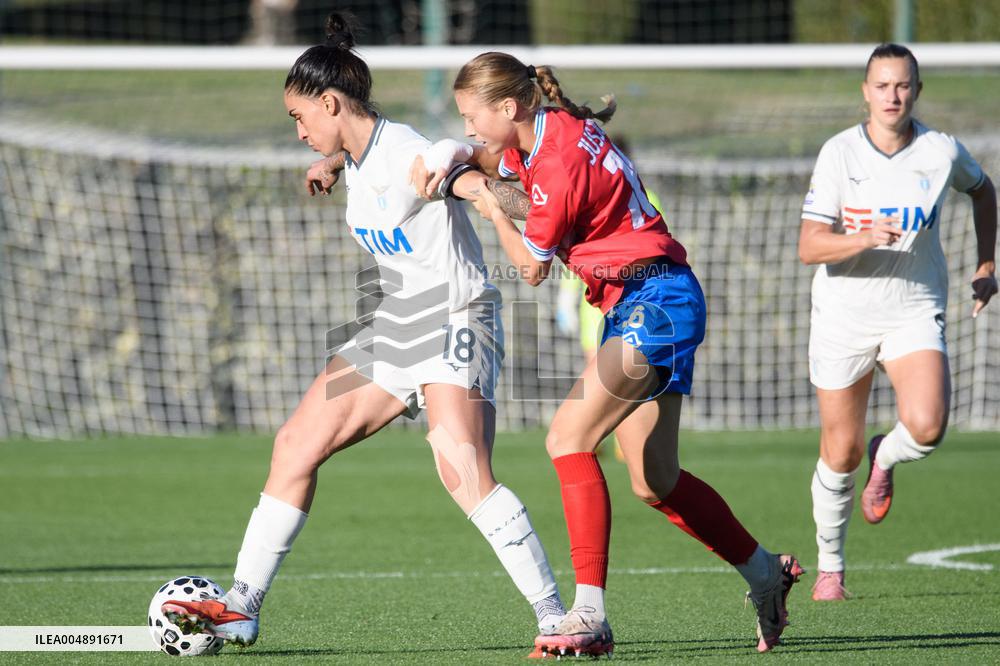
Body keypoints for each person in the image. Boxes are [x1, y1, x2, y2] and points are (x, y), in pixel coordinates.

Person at [161, 14, 567, 650]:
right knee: (296, 443)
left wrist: (499, 194)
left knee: (460, 466)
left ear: (330, 102)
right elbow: (364, 160)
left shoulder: (408, 156)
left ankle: (553, 616)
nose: (297, 131)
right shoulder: (357, 154)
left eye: (301, 118)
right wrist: (331, 157)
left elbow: (478, 186)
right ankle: (241, 605)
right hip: (399, 321)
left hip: (459, 315)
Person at [410, 52, 803, 656]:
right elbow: (495, 163)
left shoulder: (559, 159)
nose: (466, 127)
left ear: (508, 108)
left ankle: (588, 613)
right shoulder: (550, 129)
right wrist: (455, 157)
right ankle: (764, 575)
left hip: (656, 298)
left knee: (567, 437)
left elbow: (530, 269)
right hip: (645, 298)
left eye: (469, 116)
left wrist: (489, 208)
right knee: (654, 479)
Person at [799, 43, 997, 602]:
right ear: (865, 92)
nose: (893, 95)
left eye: (903, 85)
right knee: (840, 451)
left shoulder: (940, 151)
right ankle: (831, 567)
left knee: (929, 426)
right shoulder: (839, 155)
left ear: (917, 90)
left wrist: (987, 263)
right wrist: (863, 236)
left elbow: (983, 190)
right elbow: (809, 246)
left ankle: (888, 456)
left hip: (912, 307)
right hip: (844, 314)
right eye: (882, 85)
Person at [556, 134, 664, 463]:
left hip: (633, 299)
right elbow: (577, 253)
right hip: (594, 303)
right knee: (596, 368)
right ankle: (593, 434)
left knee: (625, 374)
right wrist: (566, 297)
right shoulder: (588, 198)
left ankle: (623, 435)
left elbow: (656, 245)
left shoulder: (646, 197)